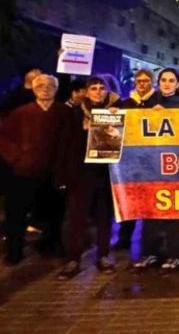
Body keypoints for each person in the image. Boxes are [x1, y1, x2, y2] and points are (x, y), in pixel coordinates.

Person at [0, 75, 73, 263]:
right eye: (40, 85)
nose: (45, 89)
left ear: (56, 89)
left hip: (54, 172)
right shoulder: (20, 113)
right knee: (16, 215)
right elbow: (4, 139)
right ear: (33, 89)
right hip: (23, 172)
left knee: (54, 214)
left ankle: (50, 246)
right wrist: (17, 158)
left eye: (50, 86)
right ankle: (14, 252)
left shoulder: (65, 113)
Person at [57, 77, 122, 280]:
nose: (98, 91)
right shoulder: (75, 113)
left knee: (104, 218)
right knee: (76, 218)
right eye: (93, 88)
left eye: (102, 88)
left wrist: (116, 122)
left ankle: (103, 256)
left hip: (106, 174)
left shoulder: (115, 111)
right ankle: (73, 259)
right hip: (81, 173)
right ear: (86, 91)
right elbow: (64, 145)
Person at [133, 68, 179, 273]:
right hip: (150, 166)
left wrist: (166, 116)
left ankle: (174, 254)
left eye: (171, 80)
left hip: (174, 165)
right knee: (149, 212)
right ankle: (149, 253)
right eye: (163, 80)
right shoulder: (148, 101)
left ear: (178, 84)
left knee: (172, 212)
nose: (167, 83)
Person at [116, 69, 159, 251]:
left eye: (146, 81)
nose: (142, 84)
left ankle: (150, 241)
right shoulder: (126, 103)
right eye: (139, 81)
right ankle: (124, 238)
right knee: (130, 199)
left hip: (152, 159)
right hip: (130, 159)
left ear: (152, 82)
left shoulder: (158, 102)